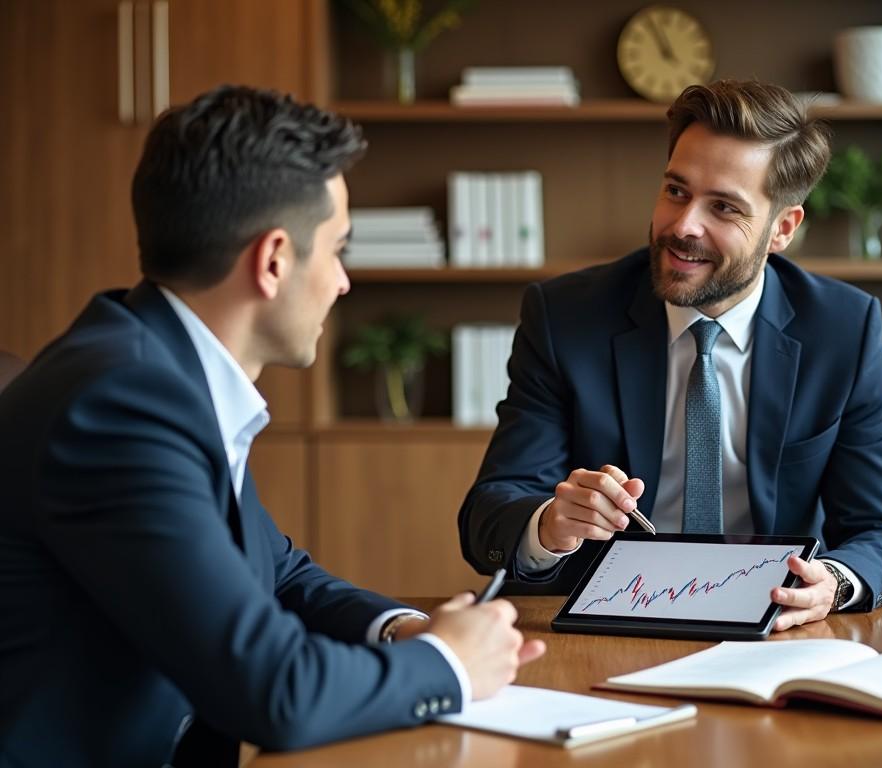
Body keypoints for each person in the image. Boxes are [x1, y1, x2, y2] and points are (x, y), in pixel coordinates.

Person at [0, 85, 544, 768]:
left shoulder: (154, 364)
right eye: (338, 250)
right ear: (275, 259)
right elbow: (274, 692)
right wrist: (448, 665)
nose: (344, 282)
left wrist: (403, 628)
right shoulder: (121, 403)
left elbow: (275, 572)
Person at [458, 80, 882, 629]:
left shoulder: (843, 328)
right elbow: (490, 512)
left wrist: (836, 584)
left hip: (774, 629)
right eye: (676, 191)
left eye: (724, 207)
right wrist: (550, 525)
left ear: (783, 229)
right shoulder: (565, 317)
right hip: (603, 623)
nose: (683, 227)